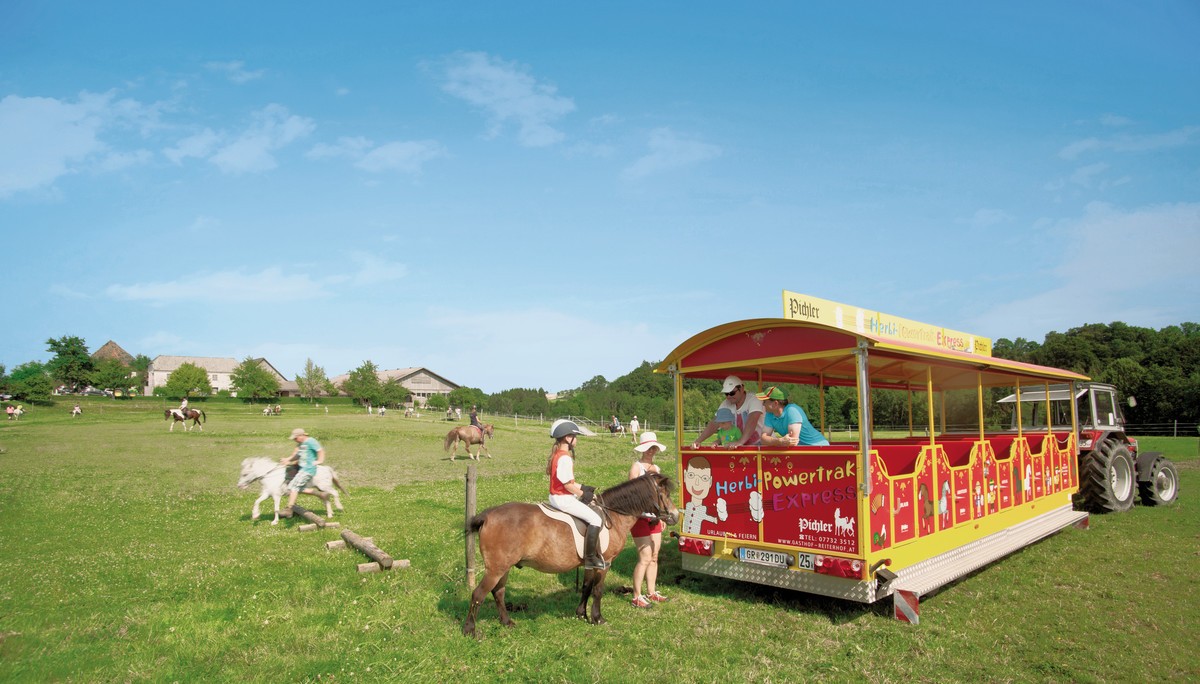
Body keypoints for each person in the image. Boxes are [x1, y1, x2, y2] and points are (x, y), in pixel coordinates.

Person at [546, 419, 606, 570]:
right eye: (575, 436)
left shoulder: (558, 454)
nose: (576, 439)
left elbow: (566, 481)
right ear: (568, 438)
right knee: (596, 519)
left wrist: (584, 487)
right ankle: (590, 558)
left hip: (556, 496)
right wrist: (583, 494)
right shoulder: (565, 457)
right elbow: (567, 485)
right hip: (563, 498)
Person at [628, 431, 670, 608]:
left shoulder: (657, 469)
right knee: (644, 557)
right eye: (648, 448)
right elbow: (631, 493)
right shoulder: (636, 467)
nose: (651, 451)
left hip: (654, 517)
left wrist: (661, 517)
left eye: (653, 448)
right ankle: (636, 595)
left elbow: (661, 496)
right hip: (640, 517)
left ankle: (651, 592)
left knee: (654, 556)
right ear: (642, 449)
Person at [690, 375, 763, 448]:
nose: (728, 396)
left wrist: (740, 442)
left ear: (741, 388)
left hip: (760, 446)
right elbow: (714, 423)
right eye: (726, 393)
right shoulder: (726, 403)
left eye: (732, 393)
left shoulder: (755, 399)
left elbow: (752, 420)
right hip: (737, 446)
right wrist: (698, 441)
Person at [756, 386, 830, 447]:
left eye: (765, 401)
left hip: (818, 447)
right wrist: (779, 441)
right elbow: (763, 439)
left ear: (775, 403)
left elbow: (792, 442)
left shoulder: (792, 410)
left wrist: (775, 441)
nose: (763, 404)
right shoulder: (769, 414)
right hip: (802, 450)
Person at [280, 428, 326, 512]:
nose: (294, 440)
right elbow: (297, 455)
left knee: (293, 487)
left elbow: (320, 450)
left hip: (308, 469)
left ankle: (289, 508)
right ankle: (320, 494)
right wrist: (287, 459)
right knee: (291, 487)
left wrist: (320, 460)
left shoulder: (311, 441)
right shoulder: (302, 444)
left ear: (301, 436)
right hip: (302, 469)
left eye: (295, 438)